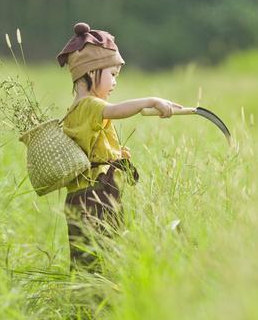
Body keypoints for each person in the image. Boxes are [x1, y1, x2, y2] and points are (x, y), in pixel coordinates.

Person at [57, 22, 182, 269]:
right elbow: (116, 111)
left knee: (91, 254)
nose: (114, 82)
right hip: (94, 194)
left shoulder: (79, 109)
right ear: (91, 72)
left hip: (87, 193)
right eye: (111, 74)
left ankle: (90, 297)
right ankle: (95, 298)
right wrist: (151, 100)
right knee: (99, 252)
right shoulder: (89, 106)